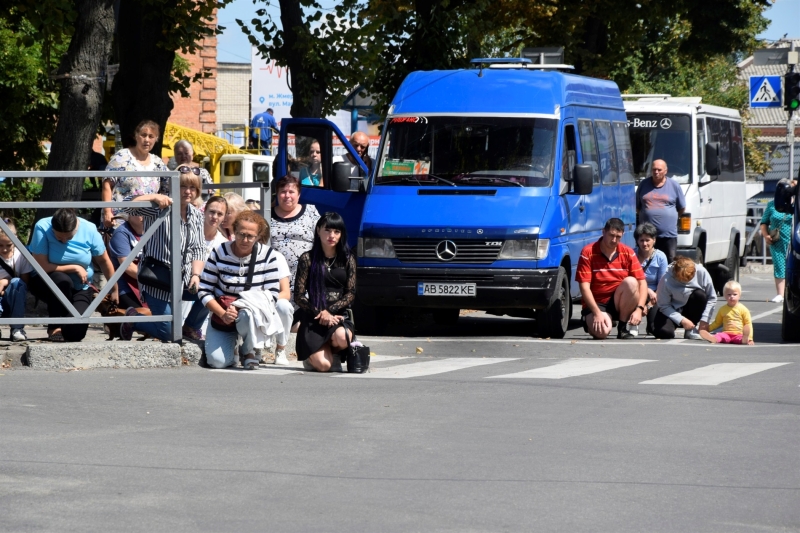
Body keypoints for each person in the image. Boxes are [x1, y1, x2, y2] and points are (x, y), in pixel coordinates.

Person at [199, 210, 295, 369]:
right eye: (241, 234)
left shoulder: (268, 255)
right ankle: (234, 345)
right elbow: (204, 290)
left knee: (247, 314)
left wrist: (242, 306)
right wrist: (222, 314)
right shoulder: (219, 252)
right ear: (234, 231)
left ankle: (248, 350)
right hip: (223, 312)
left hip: (252, 313)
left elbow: (272, 294)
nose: (245, 240)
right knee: (217, 362)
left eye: (250, 236)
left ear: (258, 236)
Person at [119, 170, 206, 342]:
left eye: (192, 187)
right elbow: (126, 206)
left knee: (212, 292)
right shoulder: (159, 207)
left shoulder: (196, 214)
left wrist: (196, 275)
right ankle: (133, 319)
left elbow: (198, 248)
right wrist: (153, 197)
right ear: (172, 186)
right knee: (169, 334)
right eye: (183, 186)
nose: (188, 191)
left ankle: (190, 328)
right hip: (157, 279)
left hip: (184, 278)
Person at [29, 208, 119, 342]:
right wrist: (74, 268)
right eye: (59, 238)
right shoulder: (42, 226)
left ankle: (68, 322)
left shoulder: (89, 229)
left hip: (81, 286)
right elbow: (42, 266)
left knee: (75, 333)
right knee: (63, 281)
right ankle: (55, 326)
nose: (64, 241)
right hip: (48, 281)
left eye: (69, 237)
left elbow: (104, 261)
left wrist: (114, 289)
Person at [295, 212, 359, 372]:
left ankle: (334, 353)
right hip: (313, 316)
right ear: (318, 230)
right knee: (324, 366)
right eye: (327, 230)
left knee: (342, 337)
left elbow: (350, 293)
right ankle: (315, 357)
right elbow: (299, 296)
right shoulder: (307, 259)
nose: (332, 235)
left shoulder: (348, 258)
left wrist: (329, 312)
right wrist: (320, 313)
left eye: (337, 232)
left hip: (337, 316)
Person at [576, 218, 648, 340]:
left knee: (631, 282)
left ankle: (623, 326)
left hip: (618, 300)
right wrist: (597, 313)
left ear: (623, 235)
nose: (614, 240)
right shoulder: (588, 252)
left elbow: (642, 282)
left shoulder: (628, 252)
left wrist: (639, 309)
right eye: (611, 235)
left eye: (618, 237)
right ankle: (591, 320)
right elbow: (584, 287)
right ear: (603, 232)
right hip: (597, 302)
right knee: (602, 333)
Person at [102, 120, 169, 228]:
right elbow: (107, 185)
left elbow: (168, 187)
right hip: (120, 221)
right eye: (143, 135)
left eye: (151, 136)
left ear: (156, 139)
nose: (146, 140)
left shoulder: (158, 163)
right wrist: (107, 212)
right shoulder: (122, 156)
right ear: (136, 136)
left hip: (148, 224)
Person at [181, 195, 228, 340]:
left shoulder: (222, 244)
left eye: (220, 214)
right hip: (180, 281)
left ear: (224, 217)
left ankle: (191, 326)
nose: (215, 217)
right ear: (204, 211)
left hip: (201, 289)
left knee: (213, 289)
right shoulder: (188, 231)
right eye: (212, 212)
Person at [270, 175, 321, 305]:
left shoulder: (311, 211)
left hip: (306, 279)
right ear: (277, 194)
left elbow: (322, 240)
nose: (287, 195)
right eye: (283, 192)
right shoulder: (267, 215)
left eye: (291, 192)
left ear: (298, 195)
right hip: (277, 280)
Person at [653, 256, 716, 340]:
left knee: (700, 295)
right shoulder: (666, 278)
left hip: (691, 307)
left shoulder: (702, 272)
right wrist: (682, 320)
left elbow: (712, 298)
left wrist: (705, 320)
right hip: (671, 310)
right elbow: (664, 305)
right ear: (675, 273)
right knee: (664, 333)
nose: (685, 281)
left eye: (689, 278)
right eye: (682, 279)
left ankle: (690, 330)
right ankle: (671, 326)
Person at [635, 159, 686, 263]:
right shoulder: (643, 184)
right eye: (654, 169)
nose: (656, 172)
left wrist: (670, 218)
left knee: (670, 261)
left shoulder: (674, 185)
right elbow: (637, 207)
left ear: (665, 171)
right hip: (647, 235)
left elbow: (681, 208)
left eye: (659, 170)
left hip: (668, 234)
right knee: (645, 260)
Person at [0, 219, 33, 341]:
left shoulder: (21, 255)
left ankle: (17, 328)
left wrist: (5, 282)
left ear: (15, 239)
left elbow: (24, 283)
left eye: (8, 245)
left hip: (11, 296)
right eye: (0, 245)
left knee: (17, 283)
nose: (4, 249)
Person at [633, 222, 669, 335]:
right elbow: (629, 278)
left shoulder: (661, 257)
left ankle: (650, 324)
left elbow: (662, 284)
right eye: (641, 240)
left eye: (647, 240)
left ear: (654, 240)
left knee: (654, 330)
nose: (644, 243)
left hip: (655, 296)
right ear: (637, 241)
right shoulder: (631, 254)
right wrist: (646, 291)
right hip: (636, 292)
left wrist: (648, 306)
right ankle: (631, 325)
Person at [107, 214, 146, 309]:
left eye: (146, 210)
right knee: (144, 317)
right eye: (138, 212)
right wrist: (155, 279)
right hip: (126, 287)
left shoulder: (155, 230)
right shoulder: (121, 233)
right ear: (129, 215)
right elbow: (129, 268)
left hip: (149, 285)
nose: (143, 214)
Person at [700, 280, 754, 345]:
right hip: (726, 333)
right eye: (729, 294)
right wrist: (708, 329)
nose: (732, 296)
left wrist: (750, 338)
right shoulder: (722, 309)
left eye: (735, 294)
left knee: (739, 339)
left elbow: (748, 324)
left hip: (739, 334)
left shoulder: (743, 309)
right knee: (720, 335)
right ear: (724, 296)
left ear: (739, 295)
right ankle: (713, 338)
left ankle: (745, 339)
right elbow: (717, 322)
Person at [760, 199, 791, 303]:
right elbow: (764, 222)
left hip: (794, 239)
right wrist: (766, 235)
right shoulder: (772, 204)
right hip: (776, 241)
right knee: (779, 264)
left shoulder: (797, 203)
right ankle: (780, 294)